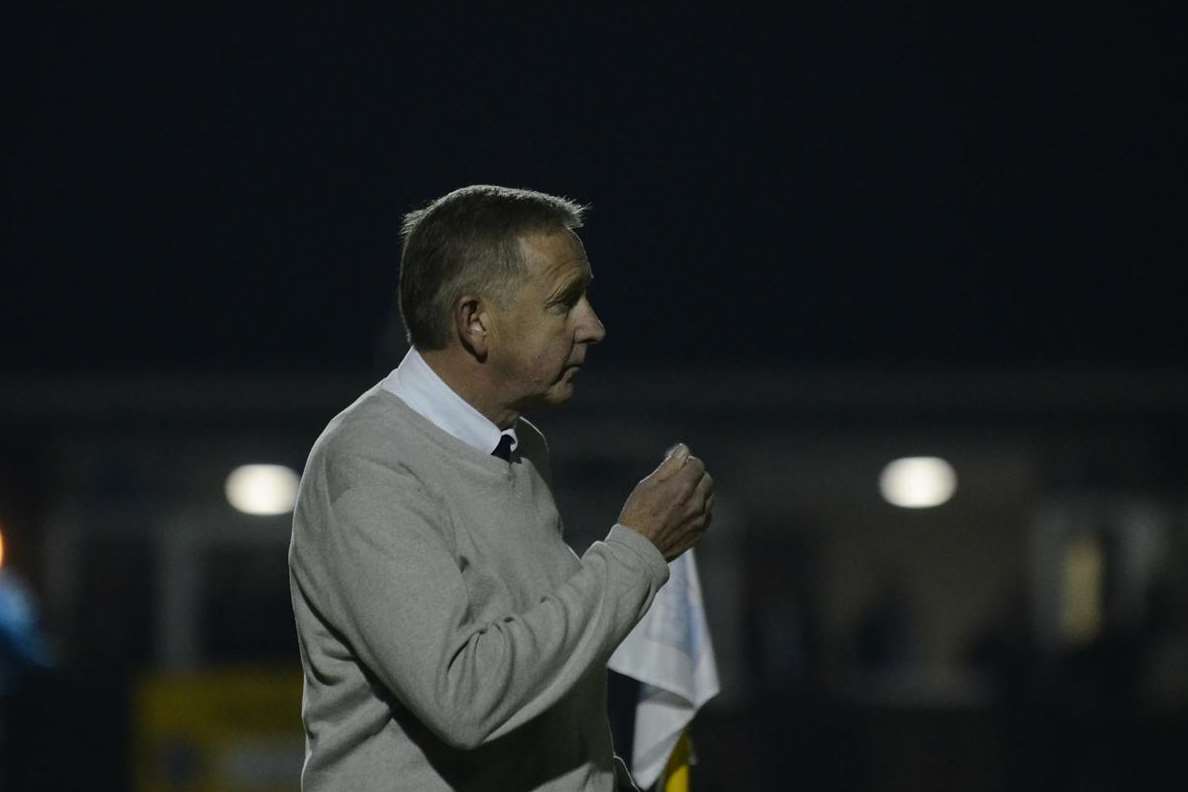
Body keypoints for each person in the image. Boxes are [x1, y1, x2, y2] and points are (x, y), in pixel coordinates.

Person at [288, 185, 714, 791]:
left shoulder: (518, 445)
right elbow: (465, 697)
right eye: (565, 302)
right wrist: (635, 551)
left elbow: (539, 683)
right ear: (475, 321)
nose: (593, 325)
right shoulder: (370, 463)